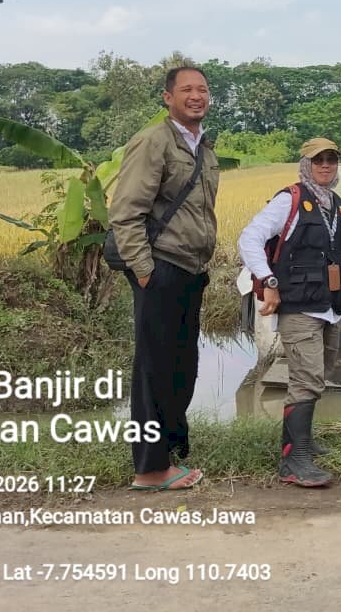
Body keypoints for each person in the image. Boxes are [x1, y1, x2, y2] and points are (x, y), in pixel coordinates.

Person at [109, 65, 220, 491]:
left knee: (181, 367)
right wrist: (144, 271)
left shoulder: (203, 146)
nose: (196, 96)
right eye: (186, 89)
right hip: (161, 267)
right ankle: (150, 469)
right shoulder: (154, 141)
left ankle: (169, 453)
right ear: (167, 98)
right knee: (154, 371)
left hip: (191, 270)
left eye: (202, 89)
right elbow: (126, 212)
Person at [239, 138, 341, 488]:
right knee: (307, 379)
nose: (325, 165)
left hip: (331, 307)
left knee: (318, 376)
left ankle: (301, 442)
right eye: (317, 160)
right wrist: (269, 280)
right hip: (299, 307)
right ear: (306, 164)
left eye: (331, 160)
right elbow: (249, 239)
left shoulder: (338, 207)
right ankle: (293, 462)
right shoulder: (289, 200)